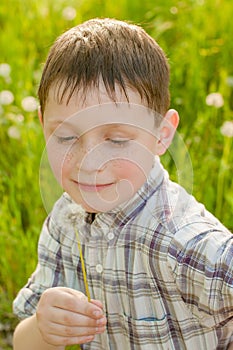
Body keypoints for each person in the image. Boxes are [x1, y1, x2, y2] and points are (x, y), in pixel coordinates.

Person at [13, 18, 233, 350]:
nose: (89, 162)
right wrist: (44, 329)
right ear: (43, 124)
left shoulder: (182, 239)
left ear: (162, 134)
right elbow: (24, 342)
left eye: (115, 139)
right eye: (67, 136)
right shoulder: (66, 219)